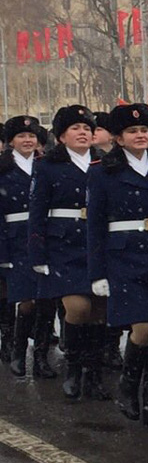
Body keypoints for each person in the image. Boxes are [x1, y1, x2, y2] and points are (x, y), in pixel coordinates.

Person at [86, 103, 148, 429]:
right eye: (131, 131)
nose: (140, 135)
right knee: (145, 328)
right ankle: (128, 385)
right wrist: (97, 273)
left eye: (144, 130)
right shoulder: (102, 172)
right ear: (118, 138)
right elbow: (95, 226)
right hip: (124, 259)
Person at [28, 105, 107, 400]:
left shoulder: (105, 163)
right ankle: (73, 369)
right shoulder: (48, 166)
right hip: (63, 246)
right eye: (75, 128)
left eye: (87, 128)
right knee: (78, 307)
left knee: (98, 312)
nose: (83, 132)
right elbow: (37, 213)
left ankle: (94, 373)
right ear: (61, 136)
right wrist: (37, 255)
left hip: (97, 245)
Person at [0, 116, 54, 379]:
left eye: (31, 136)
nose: (28, 140)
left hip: (45, 238)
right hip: (16, 240)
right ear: (11, 141)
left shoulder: (46, 167)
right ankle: (18, 350)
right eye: (21, 136)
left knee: (48, 299)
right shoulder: (3, 170)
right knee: (27, 301)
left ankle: (41, 355)